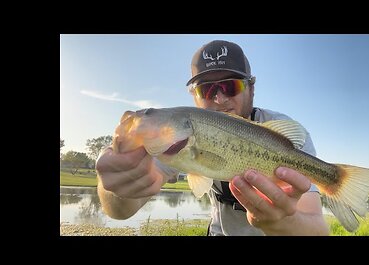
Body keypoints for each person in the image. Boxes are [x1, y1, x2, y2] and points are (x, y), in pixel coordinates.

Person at [96, 40, 330, 236]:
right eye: (206, 90)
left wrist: (282, 223)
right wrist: (116, 189)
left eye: (231, 86)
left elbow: (319, 230)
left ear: (252, 88)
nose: (218, 99)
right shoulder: (175, 143)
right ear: (194, 97)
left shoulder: (286, 132)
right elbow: (120, 211)